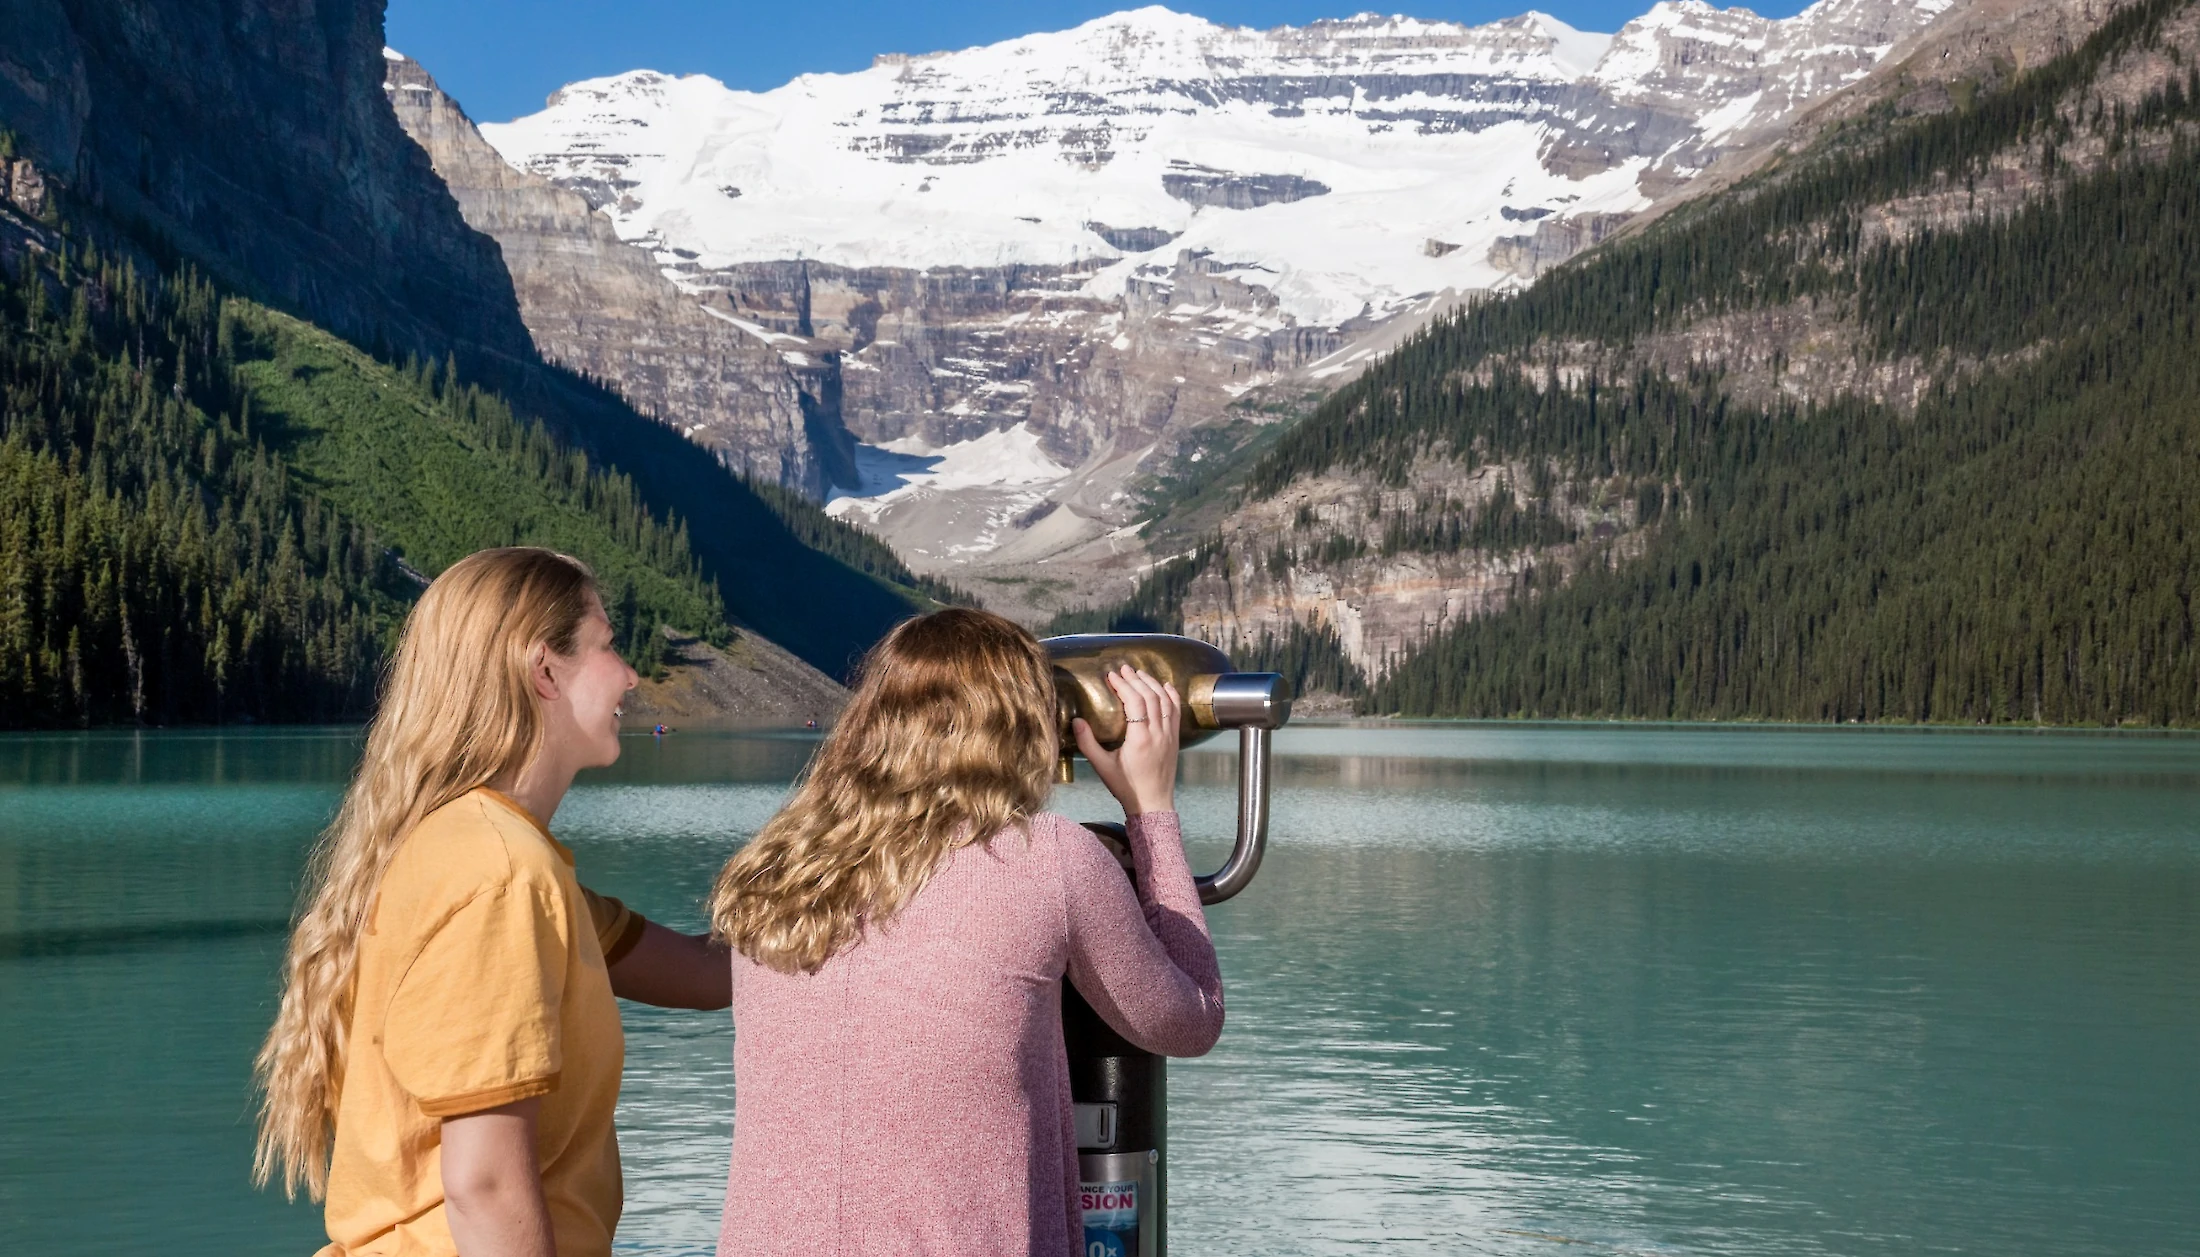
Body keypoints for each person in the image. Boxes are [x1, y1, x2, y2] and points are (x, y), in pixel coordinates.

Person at [252, 547, 731, 1257]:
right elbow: (484, 1186)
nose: (631, 675)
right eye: (606, 645)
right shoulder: (501, 872)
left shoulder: (489, 856)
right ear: (544, 669)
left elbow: (709, 974)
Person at [708, 608, 1224, 1256]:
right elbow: (1190, 1019)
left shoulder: (774, 868)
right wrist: (1151, 809)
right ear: (1025, 726)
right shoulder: (1048, 858)